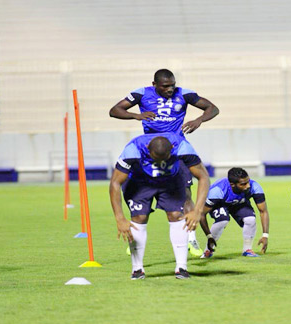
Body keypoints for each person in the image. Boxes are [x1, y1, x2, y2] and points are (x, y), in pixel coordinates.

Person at [109, 68, 219, 256]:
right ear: (154, 85)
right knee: (141, 195)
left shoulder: (184, 94)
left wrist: (199, 119)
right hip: (149, 151)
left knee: (185, 194)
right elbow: (114, 110)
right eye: (165, 86)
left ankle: (191, 240)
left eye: (172, 85)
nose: (170, 89)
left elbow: (213, 108)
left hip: (176, 150)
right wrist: (137, 116)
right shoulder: (141, 93)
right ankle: (136, 236)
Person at [109, 132, 210, 279]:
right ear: (148, 149)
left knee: (177, 215)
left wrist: (197, 210)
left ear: (172, 149)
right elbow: (115, 182)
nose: (159, 162)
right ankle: (137, 269)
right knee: (139, 217)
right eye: (155, 159)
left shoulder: (182, 147)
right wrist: (120, 218)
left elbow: (203, 176)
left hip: (170, 181)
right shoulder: (133, 150)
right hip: (140, 182)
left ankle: (181, 267)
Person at [198, 167, 269, 258]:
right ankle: (208, 251)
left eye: (248, 182)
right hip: (220, 203)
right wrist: (209, 236)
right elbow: (202, 214)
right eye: (243, 184)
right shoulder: (217, 191)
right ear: (232, 184)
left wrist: (265, 235)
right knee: (223, 220)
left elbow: (263, 211)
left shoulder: (255, 187)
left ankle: (247, 249)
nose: (248, 186)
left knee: (250, 219)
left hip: (238, 204)